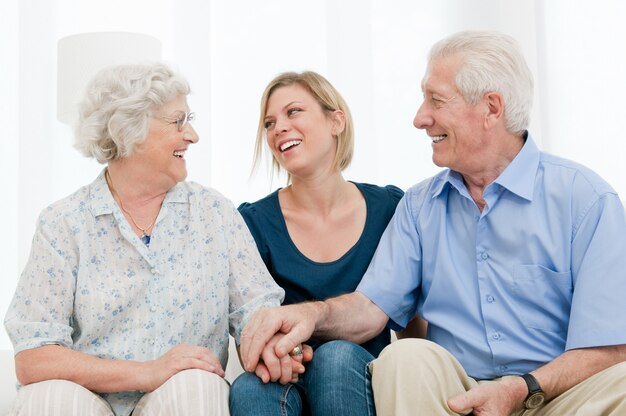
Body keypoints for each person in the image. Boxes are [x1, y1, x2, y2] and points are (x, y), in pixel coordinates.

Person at [238, 30, 626, 416]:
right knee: (405, 358)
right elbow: (371, 307)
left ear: (491, 108)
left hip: (557, 394)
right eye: (269, 122)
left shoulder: (586, 200)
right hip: (455, 396)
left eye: (435, 100)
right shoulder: (419, 206)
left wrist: (523, 388)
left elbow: (612, 345)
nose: (420, 118)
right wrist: (310, 315)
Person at [3, 63, 288, 416]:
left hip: (181, 397)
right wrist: (146, 372)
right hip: (87, 400)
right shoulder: (63, 223)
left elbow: (256, 312)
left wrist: (273, 345)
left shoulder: (213, 213)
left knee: (196, 385)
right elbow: (34, 357)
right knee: (47, 399)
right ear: (129, 131)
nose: (193, 135)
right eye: (178, 121)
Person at [229, 71, 403, 416]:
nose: (279, 128)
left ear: (336, 120)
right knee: (249, 387)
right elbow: (247, 323)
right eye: (269, 122)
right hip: (286, 374)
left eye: (293, 112)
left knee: (335, 356)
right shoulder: (252, 222)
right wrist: (277, 351)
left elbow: (415, 317)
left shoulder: (391, 208)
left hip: (360, 378)